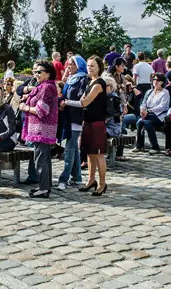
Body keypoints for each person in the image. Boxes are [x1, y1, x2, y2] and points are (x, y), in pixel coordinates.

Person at [18, 60, 59, 198]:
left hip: (42, 129)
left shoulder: (46, 88)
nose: (36, 74)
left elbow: (42, 110)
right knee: (44, 158)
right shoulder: (42, 86)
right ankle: (45, 186)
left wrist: (26, 108)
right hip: (40, 128)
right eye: (35, 71)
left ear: (48, 74)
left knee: (40, 159)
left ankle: (43, 188)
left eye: (39, 72)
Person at [78, 56, 109, 196]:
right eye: (88, 66)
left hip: (97, 122)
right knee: (90, 153)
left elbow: (85, 102)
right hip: (88, 121)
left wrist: (83, 100)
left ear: (99, 68)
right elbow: (83, 99)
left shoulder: (98, 84)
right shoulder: (90, 82)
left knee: (98, 154)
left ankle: (102, 184)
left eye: (92, 66)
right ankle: (91, 180)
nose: (89, 68)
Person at [57, 55, 88, 190]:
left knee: (69, 149)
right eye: (68, 64)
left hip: (76, 118)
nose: (69, 67)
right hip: (67, 116)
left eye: (72, 64)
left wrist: (67, 102)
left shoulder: (83, 79)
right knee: (74, 148)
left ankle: (64, 178)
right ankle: (77, 177)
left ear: (79, 66)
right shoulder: (70, 78)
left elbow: (82, 99)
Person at [134, 73, 170, 153]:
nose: (156, 82)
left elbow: (162, 106)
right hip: (148, 114)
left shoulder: (165, 92)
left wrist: (149, 110)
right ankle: (139, 146)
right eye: (154, 79)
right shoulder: (149, 92)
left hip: (159, 115)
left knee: (147, 123)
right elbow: (143, 103)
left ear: (162, 82)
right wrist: (142, 110)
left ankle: (155, 147)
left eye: (158, 80)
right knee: (139, 122)